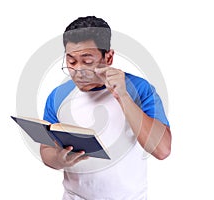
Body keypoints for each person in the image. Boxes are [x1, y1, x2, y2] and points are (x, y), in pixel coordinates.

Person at [40, 16, 171, 200]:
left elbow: (162, 149)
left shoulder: (140, 89)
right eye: (71, 62)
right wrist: (59, 159)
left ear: (108, 57)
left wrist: (123, 96)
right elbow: (46, 150)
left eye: (87, 61)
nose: (78, 71)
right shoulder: (58, 96)